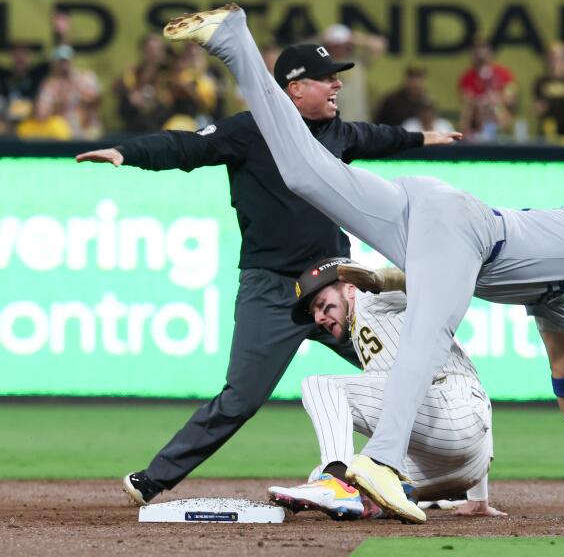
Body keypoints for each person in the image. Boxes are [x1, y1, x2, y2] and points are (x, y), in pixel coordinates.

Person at [164, 4, 564, 524]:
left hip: (429, 217)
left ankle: (233, 40)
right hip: (454, 227)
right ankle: (377, 462)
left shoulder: (561, 277)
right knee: (430, 335)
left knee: (303, 170)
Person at [76, 40, 461, 507]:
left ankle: (424, 477)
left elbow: (382, 136)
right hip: (271, 289)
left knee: (408, 372)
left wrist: (425, 138)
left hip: (338, 285)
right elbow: (185, 146)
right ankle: (154, 479)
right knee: (241, 398)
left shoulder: (338, 134)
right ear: (295, 89)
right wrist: (126, 152)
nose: (338, 83)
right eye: (328, 78)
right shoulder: (250, 130)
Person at [266, 258, 504, 520]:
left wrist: (381, 280)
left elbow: (430, 282)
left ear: (349, 287)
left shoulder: (369, 297)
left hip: (456, 413)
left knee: (320, 385)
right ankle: (373, 498)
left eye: (322, 305)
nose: (319, 317)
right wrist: (478, 499)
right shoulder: (362, 332)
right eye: (314, 312)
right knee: (337, 473)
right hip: (464, 468)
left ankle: (335, 485)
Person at [323, 23, 387, 122]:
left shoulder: (357, 62)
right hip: (334, 126)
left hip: (359, 124)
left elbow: (380, 45)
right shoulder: (322, 64)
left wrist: (355, 38)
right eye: (336, 45)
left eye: (342, 45)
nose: (339, 48)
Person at [113, 34, 174, 133]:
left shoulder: (170, 73)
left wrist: (154, 100)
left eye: (158, 49)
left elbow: (171, 100)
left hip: (163, 126)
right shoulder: (133, 73)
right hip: (135, 125)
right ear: (142, 51)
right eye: (150, 50)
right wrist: (130, 94)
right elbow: (116, 89)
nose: (155, 54)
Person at [457, 39, 516, 140]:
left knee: (496, 107)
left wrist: (494, 99)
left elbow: (510, 98)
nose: (480, 56)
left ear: (490, 53)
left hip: (498, 114)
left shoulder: (504, 74)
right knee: (471, 110)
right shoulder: (466, 78)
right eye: (476, 52)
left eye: (483, 52)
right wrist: (481, 101)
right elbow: (466, 101)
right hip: (477, 118)